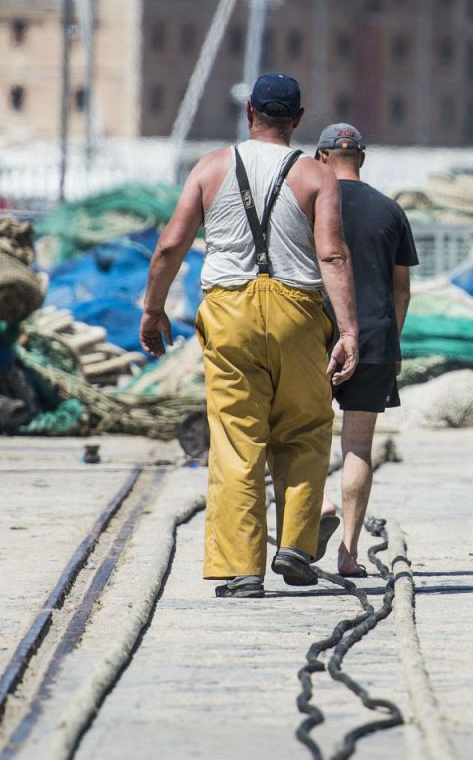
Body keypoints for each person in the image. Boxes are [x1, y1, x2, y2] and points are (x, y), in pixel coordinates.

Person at [139, 73, 360, 599]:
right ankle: (297, 545)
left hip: (228, 309)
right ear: (299, 120)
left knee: (237, 439)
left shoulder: (211, 167)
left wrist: (153, 309)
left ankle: (241, 571)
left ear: (250, 114)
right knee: (305, 429)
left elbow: (171, 245)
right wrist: (348, 330)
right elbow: (331, 254)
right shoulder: (314, 175)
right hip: (298, 311)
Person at [312, 123, 418, 578]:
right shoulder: (390, 210)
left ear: (320, 158)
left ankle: (318, 505)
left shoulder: (312, 203)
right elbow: (402, 289)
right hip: (375, 337)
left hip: (315, 336)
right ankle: (350, 553)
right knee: (357, 447)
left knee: (303, 435)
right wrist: (392, 341)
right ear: (363, 159)